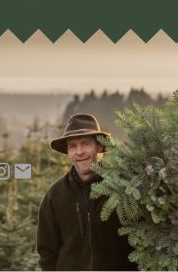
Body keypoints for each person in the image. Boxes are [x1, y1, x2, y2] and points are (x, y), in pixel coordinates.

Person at [37, 114, 137, 271]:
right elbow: (47, 255)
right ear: (68, 152)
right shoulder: (54, 196)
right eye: (73, 146)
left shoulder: (124, 188)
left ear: (99, 147)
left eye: (85, 144)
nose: (79, 152)